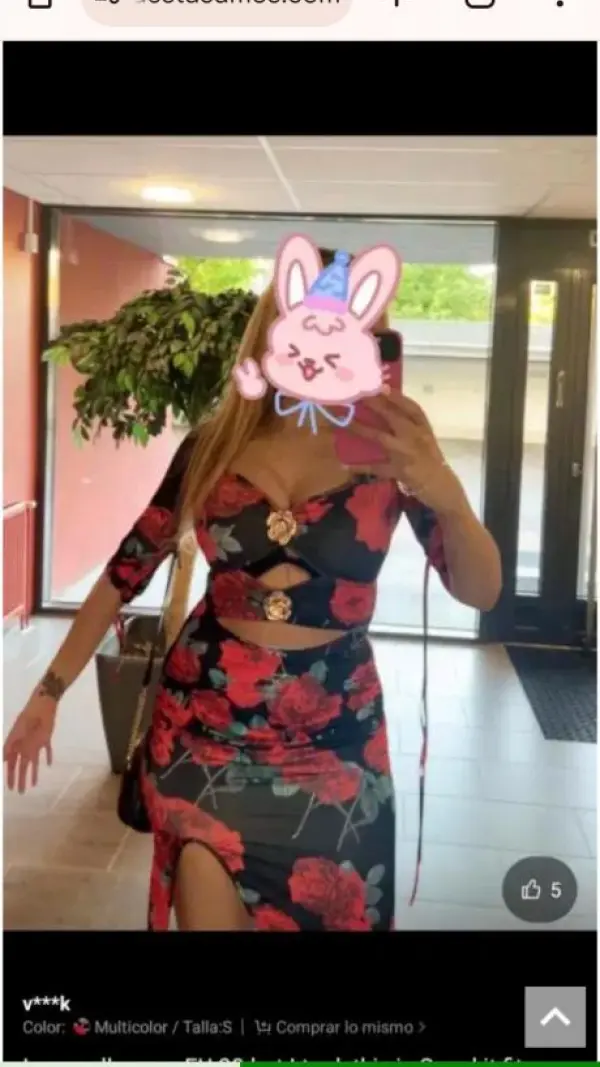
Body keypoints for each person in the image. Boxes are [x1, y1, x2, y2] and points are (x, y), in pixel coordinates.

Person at [4, 247, 502, 933]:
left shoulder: (395, 449)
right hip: (203, 728)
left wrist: (446, 493)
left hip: (336, 742)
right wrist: (48, 693)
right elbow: (126, 570)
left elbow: (481, 590)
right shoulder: (214, 444)